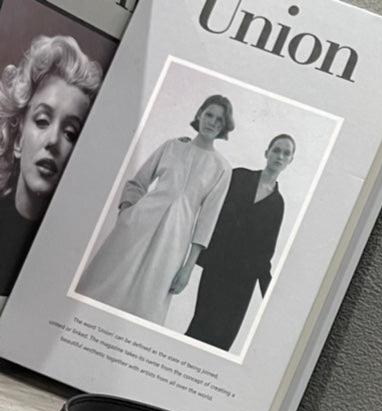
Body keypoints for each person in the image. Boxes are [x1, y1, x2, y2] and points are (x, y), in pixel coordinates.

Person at [77, 94, 234, 325]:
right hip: (136, 227)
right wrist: (126, 213)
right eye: (209, 115)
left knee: (146, 307)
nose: (212, 122)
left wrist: (188, 268)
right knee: (101, 289)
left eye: (219, 120)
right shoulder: (172, 146)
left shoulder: (222, 168)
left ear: (224, 126)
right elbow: (138, 182)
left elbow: (207, 222)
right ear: (200, 114)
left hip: (174, 242)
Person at [0, 35, 101, 298]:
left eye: (70, 133)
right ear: (18, 138)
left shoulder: (77, 255)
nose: (54, 140)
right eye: (42, 121)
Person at [185, 133, 294, 350]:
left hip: (243, 283)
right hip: (217, 269)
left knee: (221, 342)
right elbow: (209, 190)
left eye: (286, 153)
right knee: (198, 329)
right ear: (267, 153)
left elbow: (266, 253)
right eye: (276, 150)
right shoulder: (239, 176)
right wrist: (189, 148)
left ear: (290, 160)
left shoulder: (277, 204)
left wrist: (268, 294)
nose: (280, 156)